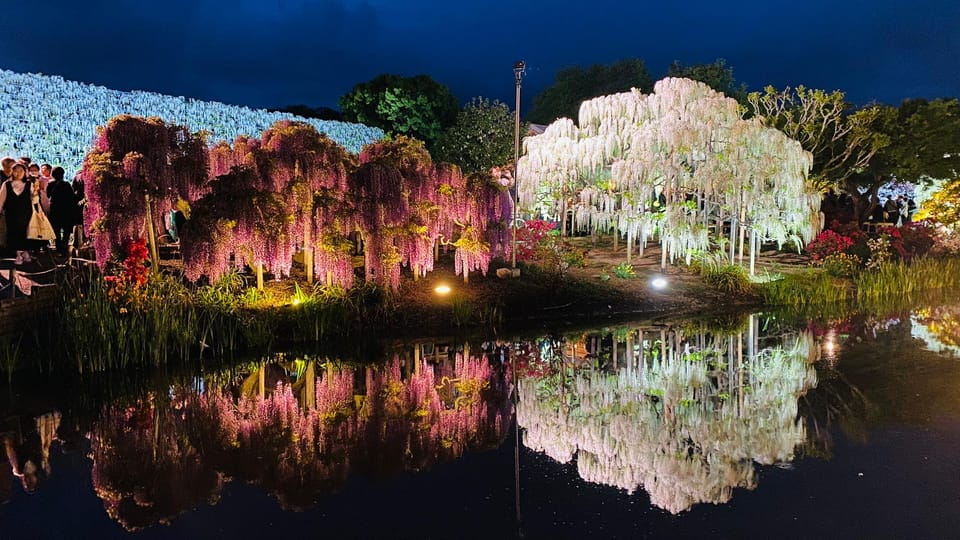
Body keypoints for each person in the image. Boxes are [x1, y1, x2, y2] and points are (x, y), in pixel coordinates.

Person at [0, 163, 37, 263]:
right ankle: (18, 254)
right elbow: (1, 200)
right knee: (13, 232)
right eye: (16, 170)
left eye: (21, 170)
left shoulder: (29, 184)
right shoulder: (6, 185)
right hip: (11, 213)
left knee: (25, 232)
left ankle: (24, 251)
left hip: (26, 212)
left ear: (25, 172)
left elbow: (34, 199)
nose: (18, 173)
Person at [47, 167, 76, 254]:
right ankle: (65, 245)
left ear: (52, 174)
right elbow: (72, 197)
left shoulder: (50, 184)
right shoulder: (66, 184)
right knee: (66, 229)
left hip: (55, 209)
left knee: (56, 229)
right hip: (66, 209)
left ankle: (58, 246)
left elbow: (48, 195)